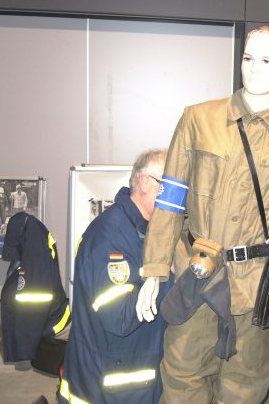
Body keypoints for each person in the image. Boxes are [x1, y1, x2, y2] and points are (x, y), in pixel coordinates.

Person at [136, 26, 269, 402]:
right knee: (181, 379)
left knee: (245, 389)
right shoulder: (198, 119)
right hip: (197, 276)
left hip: (256, 289)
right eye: (248, 58)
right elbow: (170, 200)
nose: (254, 68)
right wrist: (154, 269)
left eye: (266, 60)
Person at [60, 149, 172, 404]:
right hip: (109, 388)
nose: (177, 197)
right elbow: (119, 317)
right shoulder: (109, 238)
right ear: (145, 183)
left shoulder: (145, 230)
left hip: (132, 380)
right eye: (168, 187)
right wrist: (167, 277)